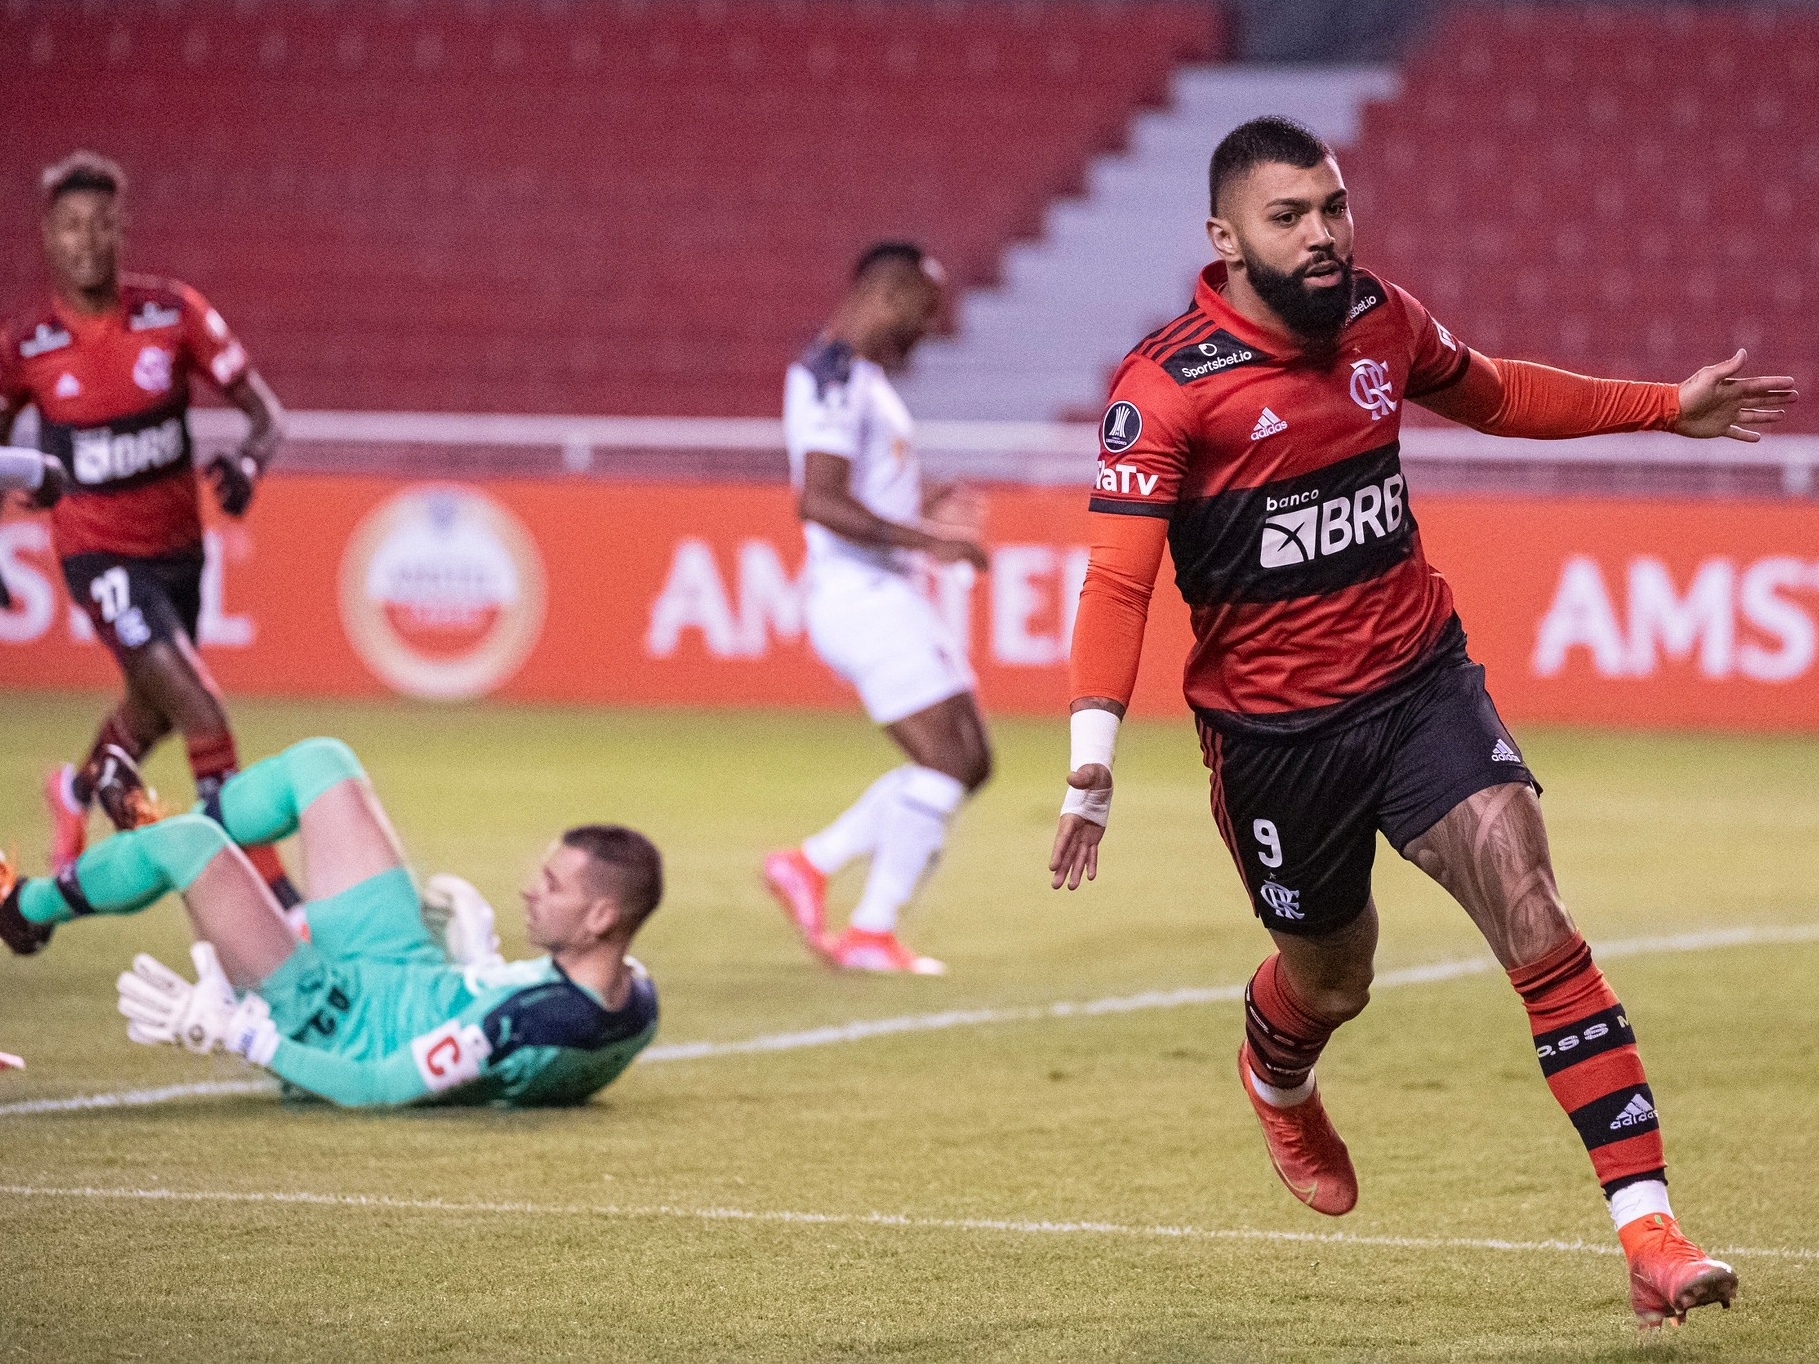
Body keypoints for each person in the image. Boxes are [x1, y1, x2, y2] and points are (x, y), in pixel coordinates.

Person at [1048, 116, 1795, 1329]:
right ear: (1223, 239)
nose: (1325, 231)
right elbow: (1117, 581)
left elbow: (1496, 391)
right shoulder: (1167, 389)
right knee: (1332, 977)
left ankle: (1648, 1231)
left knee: (1535, 914)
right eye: (1291, 215)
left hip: (1417, 685)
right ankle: (1275, 1073)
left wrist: (1667, 405)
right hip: (1276, 741)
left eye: (1334, 206)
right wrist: (1091, 766)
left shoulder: (1382, 321)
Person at [0, 739, 661, 1109]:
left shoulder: (528, 1020)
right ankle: (149, 839)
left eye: (551, 885)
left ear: (602, 916)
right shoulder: (636, 999)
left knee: (186, 847)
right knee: (324, 766)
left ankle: (24, 910)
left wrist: (245, 1036)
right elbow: (548, 1046)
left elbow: (377, 1087)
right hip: (410, 970)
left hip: (337, 1023)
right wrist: (476, 970)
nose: (528, 890)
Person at [0, 151, 296, 904]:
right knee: (201, 708)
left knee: (155, 713)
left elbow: (266, 415)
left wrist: (250, 467)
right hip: (97, 555)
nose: (88, 241)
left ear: (123, 228)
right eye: (72, 226)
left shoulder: (173, 315)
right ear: (48, 238)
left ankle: (74, 791)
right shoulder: (26, 349)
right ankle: (273, 905)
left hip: (179, 554)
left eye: (102, 224)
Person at [763, 242, 993, 975]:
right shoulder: (831, 376)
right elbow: (820, 500)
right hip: (859, 596)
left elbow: (861, 491)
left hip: (884, 589)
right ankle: (867, 929)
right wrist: (930, 539)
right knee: (946, 762)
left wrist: (923, 505)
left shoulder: (860, 379)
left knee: (970, 761)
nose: (928, 331)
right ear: (888, 297)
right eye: (923, 314)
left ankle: (813, 864)